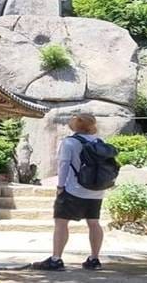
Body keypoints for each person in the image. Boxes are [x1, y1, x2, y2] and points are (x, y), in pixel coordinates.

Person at [32, 113, 106, 271]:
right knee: (93, 223)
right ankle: (94, 259)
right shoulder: (100, 142)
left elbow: (64, 165)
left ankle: (56, 259)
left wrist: (60, 187)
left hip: (74, 189)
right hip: (96, 191)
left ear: (75, 126)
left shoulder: (70, 142)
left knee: (61, 222)